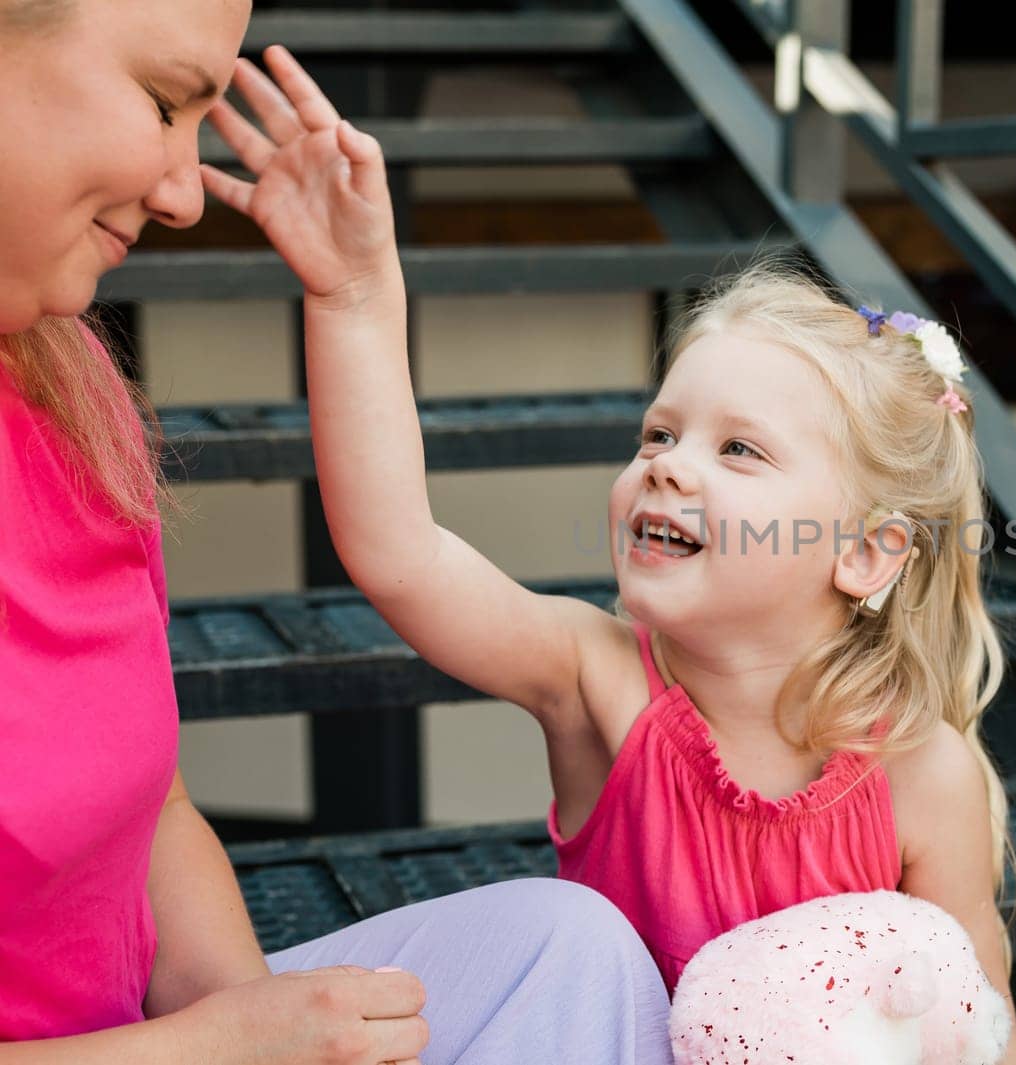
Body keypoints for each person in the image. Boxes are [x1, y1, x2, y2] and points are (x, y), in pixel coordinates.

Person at [205, 36, 1016, 1062]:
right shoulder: (598, 682)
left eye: (737, 449)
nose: (669, 467)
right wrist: (355, 294)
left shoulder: (923, 773)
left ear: (864, 555)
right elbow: (400, 552)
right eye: (657, 434)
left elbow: (975, 1016)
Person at [0, 3, 671, 1062]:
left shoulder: (69, 385)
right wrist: (217, 1050)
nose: (183, 193)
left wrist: (272, 1027)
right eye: (165, 101)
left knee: (566, 945)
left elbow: (155, 810)